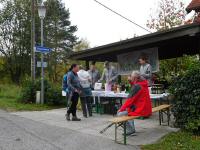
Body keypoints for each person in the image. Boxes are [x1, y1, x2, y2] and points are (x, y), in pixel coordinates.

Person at [117, 71, 152, 135]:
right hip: (147, 108)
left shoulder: (137, 86)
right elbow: (135, 89)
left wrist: (121, 109)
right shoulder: (143, 83)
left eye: (132, 77)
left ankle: (130, 130)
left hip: (141, 109)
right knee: (129, 109)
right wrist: (130, 82)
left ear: (135, 78)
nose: (131, 78)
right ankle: (131, 129)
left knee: (120, 114)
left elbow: (129, 100)